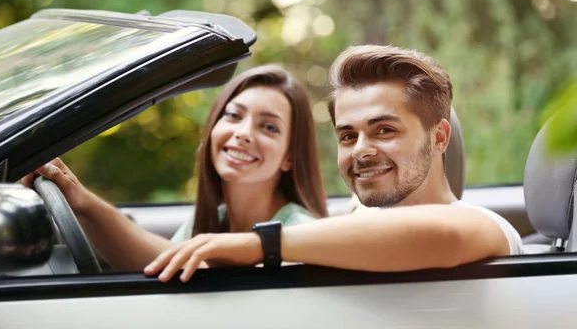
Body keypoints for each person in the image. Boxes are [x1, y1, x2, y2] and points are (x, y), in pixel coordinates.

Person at [144, 45, 523, 283]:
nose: (360, 150)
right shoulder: (349, 229)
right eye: (347, 135)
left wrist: (260, 244)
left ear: (439, 137)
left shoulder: (488, 228)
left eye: (384, 130)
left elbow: (443, 236)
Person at [21, 65, 328, 271]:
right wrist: (82, 201)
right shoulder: (211, 221)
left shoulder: (301, 232)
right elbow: (165, 261)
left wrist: (85, 202)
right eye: (234, 115)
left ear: (290, 156)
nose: (244, 132)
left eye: (269, 127)